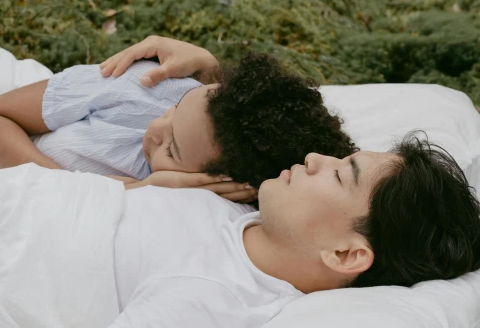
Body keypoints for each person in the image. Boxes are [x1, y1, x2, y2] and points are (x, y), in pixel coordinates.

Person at [107, 133, 480, 328]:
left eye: (339, 175)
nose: (315, 157)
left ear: (346, 254)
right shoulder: (238, 207)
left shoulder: (211, 297)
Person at [0, 51, 354, 201]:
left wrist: (145, 193)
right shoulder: (142, 87)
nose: (154, 128)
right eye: (175, 110)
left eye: (173, 149)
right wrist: (134, 189)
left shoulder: (213, 203)